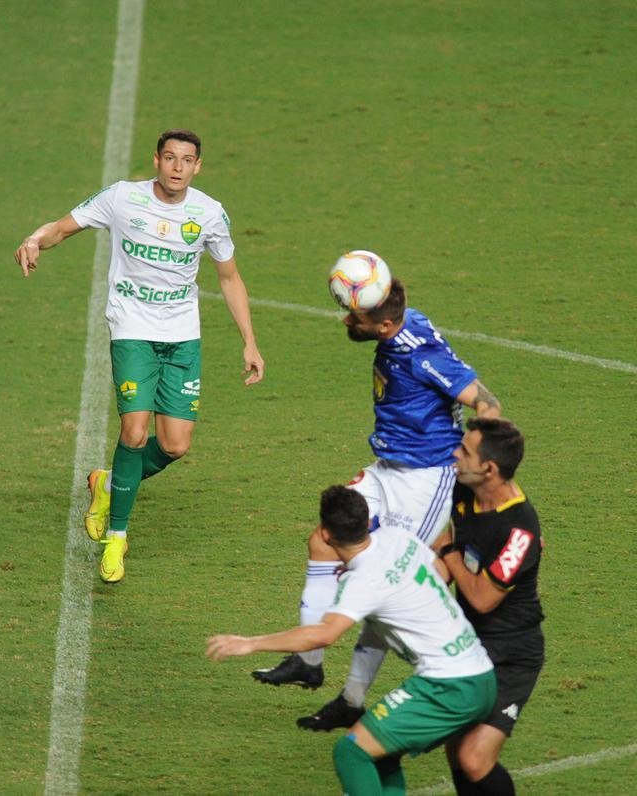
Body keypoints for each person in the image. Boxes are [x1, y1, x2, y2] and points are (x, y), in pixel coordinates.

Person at [250, 276, 501, 734]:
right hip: (388, 467)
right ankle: (309, 662)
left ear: (384, 325)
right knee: (323, 541)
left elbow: (489, 405)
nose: (347, 319)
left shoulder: (423, 356)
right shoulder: (405, 320)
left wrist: (470, 474)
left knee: (382, 584)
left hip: (423, 482)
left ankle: (354, 699)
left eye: (356, 316)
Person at [14, 129, 264, 583]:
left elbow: (229, 278)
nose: (176, 167)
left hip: (183, 336)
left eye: (186, 160)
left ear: (197, 167)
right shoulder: (122, 198)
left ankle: (106, 483)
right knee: (133, 432)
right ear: (156, 160)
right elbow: (63, 228)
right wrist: (35, 239)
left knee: (175, 445)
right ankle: (117, 538)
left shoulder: (208, 214)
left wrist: (249, 340)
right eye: (169, 158)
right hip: (131, 329)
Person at [208, 486, 497, 795]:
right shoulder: (399, 539)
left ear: (325, 534)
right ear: (366, 520)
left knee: (351, 752)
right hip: (480, 673)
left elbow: (324, 633)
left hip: (448, 686)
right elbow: (440, 574)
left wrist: (251, 643)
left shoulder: (363, 581)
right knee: (380, 753)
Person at [433, 417, 545, 796]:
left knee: (475, 758)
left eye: (465, 450)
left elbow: (482, 598)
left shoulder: (520, 530)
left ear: (489, 468)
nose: (455, 453)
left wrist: (448, 552)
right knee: (457, 751)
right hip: (468, 645)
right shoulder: (464, 490)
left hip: (511, 652)